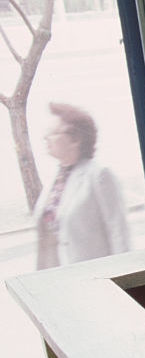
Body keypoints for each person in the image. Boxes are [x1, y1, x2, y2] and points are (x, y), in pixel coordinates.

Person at [33, 102, 130, 270]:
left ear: (75, 139)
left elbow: (119, 232)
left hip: (95, 277)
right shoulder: (54, 181)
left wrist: (124, 277)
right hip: (61, 281)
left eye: (52, 134)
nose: (45, 139)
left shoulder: (99, 175)